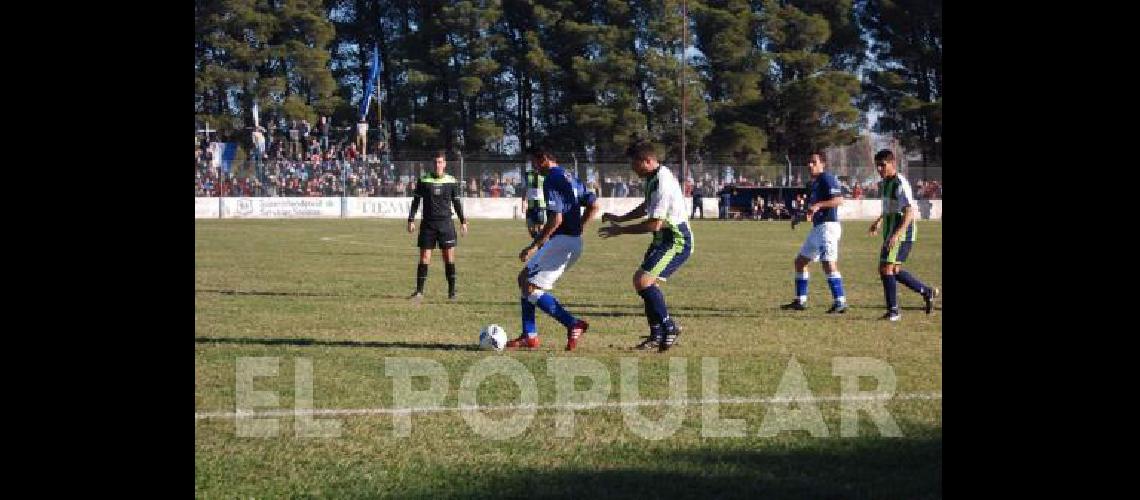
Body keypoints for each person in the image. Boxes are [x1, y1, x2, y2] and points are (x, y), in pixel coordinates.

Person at [598, 140, 693, 352]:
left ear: (648, 161)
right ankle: (656, 334)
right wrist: (621, 218)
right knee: (646, 284)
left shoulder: (662, 183)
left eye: (635, 164)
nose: (633, 169)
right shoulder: (654, 177)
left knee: (642, 281)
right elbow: (647, 207)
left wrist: (620, 230)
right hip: (662, 238)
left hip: (676, 239)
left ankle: (669, 327)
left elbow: (654, 223)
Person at [507, 144, 599, 351]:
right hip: (572, 241)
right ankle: (529, 336)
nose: (534, 168)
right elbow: (594, 205)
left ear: (544, 160)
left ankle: (572, 323)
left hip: (561, 241)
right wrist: (579, 228)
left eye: (534, 163)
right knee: (525, 280)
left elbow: (556, 219)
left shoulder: (551, 179)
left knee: (529, 285)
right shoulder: (570, 176)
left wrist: (534, 245)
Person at [869, 149, 939, 321]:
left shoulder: (900, 183)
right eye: (877, 165)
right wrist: (879, 221)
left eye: (882, 165)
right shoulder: (886, 182)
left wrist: (897, 234)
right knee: (894, 270)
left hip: (902, 233)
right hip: (892, 232)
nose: (879, 169)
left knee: (886, 269)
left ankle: (894, 312)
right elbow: (890, 208)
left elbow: (909, 212)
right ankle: (926, 291)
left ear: (892, 163)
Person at [780, 153, 848, 313]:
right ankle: (800, 301)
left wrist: (818, 205)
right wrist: (801, 217)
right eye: (808, 162)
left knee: (828, 263)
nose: (810, 165)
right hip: (817, 228)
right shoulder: (815, 183)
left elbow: (839, 200)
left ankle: (840, 302)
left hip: (828, 228)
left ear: (822, 164)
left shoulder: (826, 178)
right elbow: (813, 210)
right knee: (800, 262)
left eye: (814, 162)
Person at [407, 151, 468, 302]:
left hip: (446, 224)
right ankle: (419, 291)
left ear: (445, 164)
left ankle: (452, 292)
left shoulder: (451, 181)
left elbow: (457, 203)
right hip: (428, 224)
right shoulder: (423, 180)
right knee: (424, 257)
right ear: (432, 164)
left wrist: (463, 222)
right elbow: (416, 202)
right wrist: (411, 220)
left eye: (440, 162)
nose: (437, 165)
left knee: (448, 257)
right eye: (435, 162)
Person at [521, 162, 546, 239]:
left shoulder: (545, 174)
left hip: (541, 206)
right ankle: (537, 241)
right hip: (530, 206)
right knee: (531, 228)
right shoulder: (527, 175)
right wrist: (523, 202)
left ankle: (540, 246)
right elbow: (524, 189)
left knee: (541, 229)